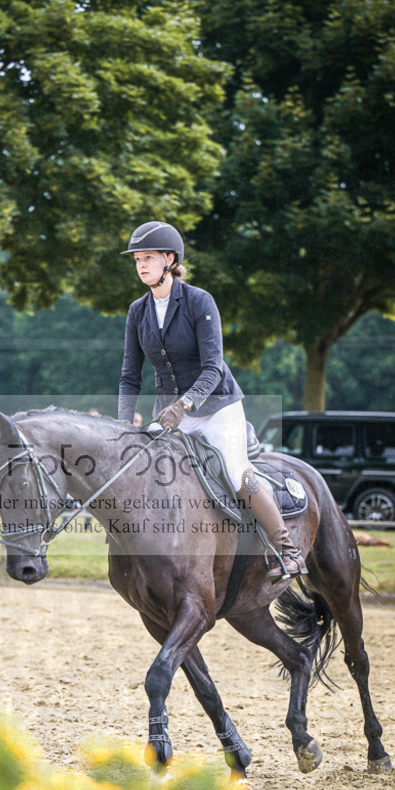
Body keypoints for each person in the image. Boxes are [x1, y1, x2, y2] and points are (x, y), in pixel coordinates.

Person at [118, 220, 307, 580]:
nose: (141, 265)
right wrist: (125, 422)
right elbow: (130, 375)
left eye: (148, 258)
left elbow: (213, 367)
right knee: (146, 470)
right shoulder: (137, 311)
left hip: (217, 406)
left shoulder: (198, 301)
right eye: (137, 259)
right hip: (170, 413)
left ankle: (287, 549)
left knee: (236, 472)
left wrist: (184, 405)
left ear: (170, 260)